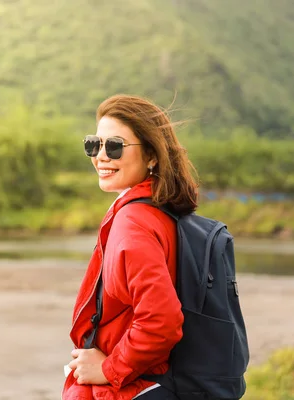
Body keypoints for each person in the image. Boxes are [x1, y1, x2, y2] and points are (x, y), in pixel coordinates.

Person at [63, 94, 199, 400]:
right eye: (93, 145)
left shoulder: (134, 223)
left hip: (130, 390)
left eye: (114, 146)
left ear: (151, 156)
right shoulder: (157, 211)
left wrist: (110, 368)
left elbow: (161, 321)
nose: (101, 156)